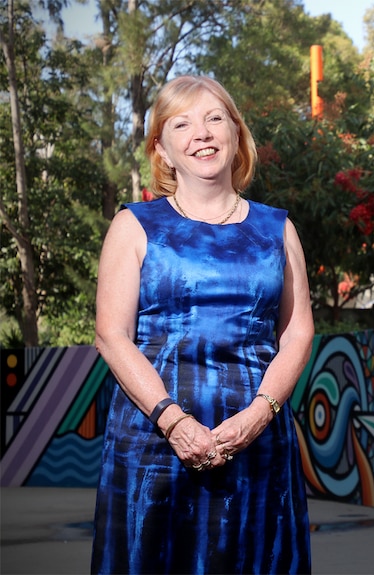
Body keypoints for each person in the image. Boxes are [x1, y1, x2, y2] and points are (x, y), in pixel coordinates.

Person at [92, 75, 314, 574]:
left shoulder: (278, 228)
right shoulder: (133, 225)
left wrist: (258, 416)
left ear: (236, 135)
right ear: (163, 149)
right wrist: (174, 421)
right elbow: (111, 335)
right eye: (182, 123)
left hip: (257, 442)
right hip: (152, 446)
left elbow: (298, 333)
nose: (202, 133)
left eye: (215, 118)